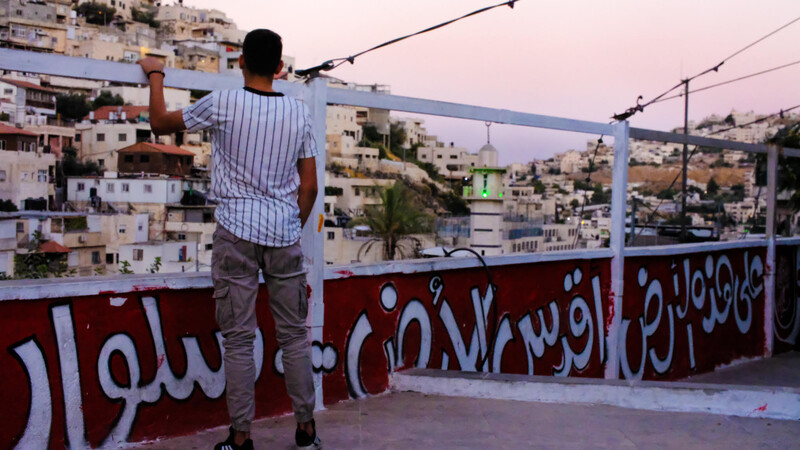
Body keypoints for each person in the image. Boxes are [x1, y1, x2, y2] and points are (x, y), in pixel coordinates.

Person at [138, 28, 320, 449]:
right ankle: (307, 430)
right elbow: (308, 188)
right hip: (283, 233)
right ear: (279, 68)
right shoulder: (299, 114)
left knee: (239, 339)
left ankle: (241, 438)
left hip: (236, 232)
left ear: (240, 61)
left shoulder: (223, 103)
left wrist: (155, 75)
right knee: (294, 335)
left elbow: (160, 122)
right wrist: (292, 223)